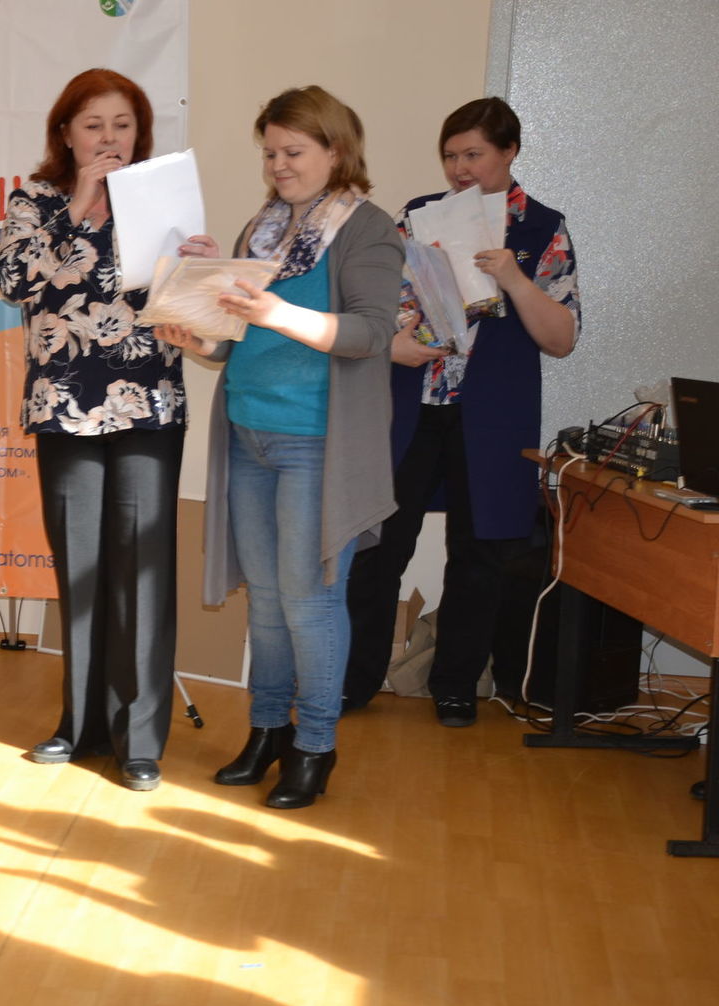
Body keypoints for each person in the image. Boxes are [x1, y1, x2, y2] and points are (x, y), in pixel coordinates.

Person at [168, 85, 403, 809]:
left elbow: (370, 332)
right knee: (267, 602)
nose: (277, 165)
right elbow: (231, 341)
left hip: (317, 445)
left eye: (293, 152)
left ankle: (315, 746)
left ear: (337, 150)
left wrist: (275, 311)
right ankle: (268, 730)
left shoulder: (369, 229)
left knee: (309, 603)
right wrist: (197, 322)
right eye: (270, 152)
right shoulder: (262, 228)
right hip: (248, 433)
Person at [341, 97, 582, 727]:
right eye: (450, 156)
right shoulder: (418, 216)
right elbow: (376, 305)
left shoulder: (542, 228)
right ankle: (355, 679)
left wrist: (515, 280)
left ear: (509, 151)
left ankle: (454, 685)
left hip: (491, 416)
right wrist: (397, 336)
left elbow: (562, 338)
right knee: (380, 546)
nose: (460, 169)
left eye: (473, 154)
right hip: (413, 405)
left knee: (478, 555)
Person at [0, 68, 185, 793]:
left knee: (143, 571)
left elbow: (184, 301)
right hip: (65, 405)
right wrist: (78, 203)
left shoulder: (162, 197)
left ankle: (140, 739)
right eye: (94, 125)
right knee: (79, 569)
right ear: (66, 133)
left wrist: (195, 267)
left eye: (123, 125)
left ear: (141, 133)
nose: (109, 138)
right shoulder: (35, 201)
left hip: (148, 403)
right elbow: (12, 280)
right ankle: (79, 726)